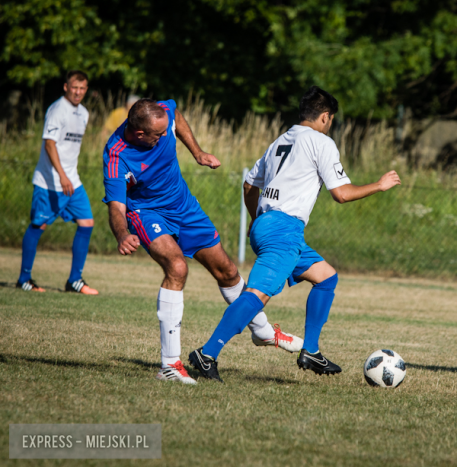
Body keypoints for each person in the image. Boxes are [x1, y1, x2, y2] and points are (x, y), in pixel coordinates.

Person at [188, 86, 401, 383]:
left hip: (269, 226)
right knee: (256, 296)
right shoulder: (321, 143)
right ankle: (207, 354)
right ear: (325, 117)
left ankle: (310, 350)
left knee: (326, 277)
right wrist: (378, 185)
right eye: (332, 120)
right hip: (283, 231)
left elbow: (249, 186)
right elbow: (340, 193)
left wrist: (256, 220)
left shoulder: (279, 142)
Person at [103, 98, 302, 385]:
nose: (163, 139)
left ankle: (262, 332)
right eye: (157, 136)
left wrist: (197, 152)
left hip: (184, 206)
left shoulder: (163, 115)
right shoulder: (116, 155)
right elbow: (116, 207)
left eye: (164, 133)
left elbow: (177, 118)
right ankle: (170, 365)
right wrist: (122, 235)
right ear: (139, 134)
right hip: (146, 213)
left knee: (228, 272)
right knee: (177, 268)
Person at [16, 70, 98, 295]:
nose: (78, 92)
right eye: (74, 87)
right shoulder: (56, 110)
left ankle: (74, 280)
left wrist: (68, 176)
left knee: (87, 223)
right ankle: (24, 279)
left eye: (82, 88)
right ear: (66, 87)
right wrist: (61, 175)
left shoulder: (84, 113)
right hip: (49, 182)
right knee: (38, 226)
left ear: (86, 90)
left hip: (72, 181)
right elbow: (50, 144)